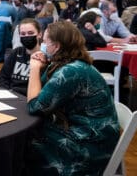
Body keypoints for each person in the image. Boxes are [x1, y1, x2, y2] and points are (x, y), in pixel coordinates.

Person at [25, 21, 119, 175]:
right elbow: (42, 94)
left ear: (56, 46)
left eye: (44, 42)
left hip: (89, 144)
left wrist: (34, 69)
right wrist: (42, 66)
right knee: (31, 133)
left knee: (27, 142)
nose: (41, 45)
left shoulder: (70, 71)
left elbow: (35, 107)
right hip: (88, 132)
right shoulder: (67, 64)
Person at [0, 18, 42, 96]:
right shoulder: (16, 53)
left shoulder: (43, 58)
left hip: (29, 98)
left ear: (40, 34)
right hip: (10, 95)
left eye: (30, 33)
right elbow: (2, 78)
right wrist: (4, 94)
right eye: (23, 34)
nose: (26, 36)